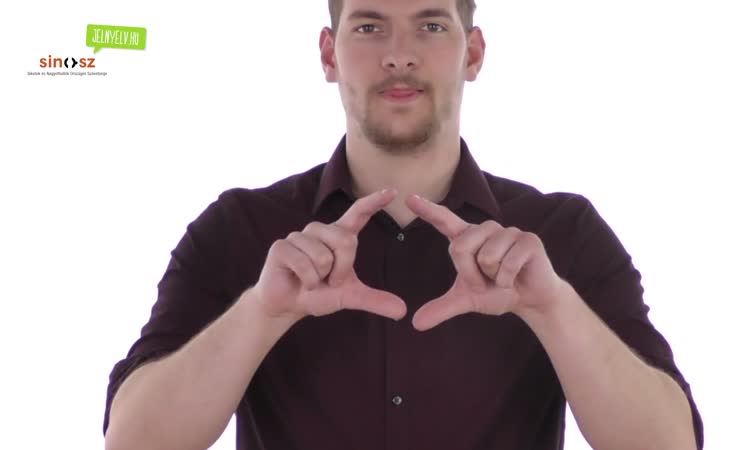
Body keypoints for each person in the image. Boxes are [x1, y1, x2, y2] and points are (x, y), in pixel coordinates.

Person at [103, 1, 704, 449]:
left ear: (473, 53)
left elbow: (670, 443)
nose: (399, 54)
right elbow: (131, 440)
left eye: (431, 25)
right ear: (328, 54)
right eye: (369, 27)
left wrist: (553, 310)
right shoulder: (237, 230)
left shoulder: (564, 235)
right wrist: (260, 313)